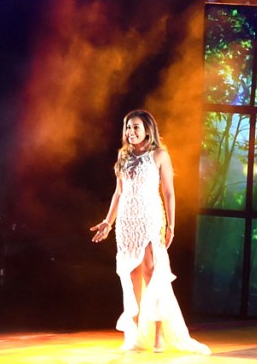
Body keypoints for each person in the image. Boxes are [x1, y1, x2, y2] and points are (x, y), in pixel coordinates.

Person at [90, 109, 210, 355]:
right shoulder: (123, 156)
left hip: (149, 218)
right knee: (131, 274)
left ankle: (158, 336)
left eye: (135, 127)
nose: (130, 132)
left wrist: (171, 225)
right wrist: (108, 222)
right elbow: (119, 192)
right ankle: (134, 335)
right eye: (128, 127)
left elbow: (169, 192)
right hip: (126, 221)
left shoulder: (159, 155)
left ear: (147, 129)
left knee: (151, 272)